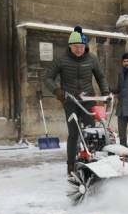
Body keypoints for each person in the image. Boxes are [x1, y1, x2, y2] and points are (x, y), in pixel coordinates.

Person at [45, 26, 109, 175]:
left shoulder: (92, 58)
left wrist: (105, 91)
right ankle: (71, 165)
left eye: (81, 47)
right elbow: (48, 78)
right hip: (70, 101)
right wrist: (58, 92)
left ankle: (93, 161)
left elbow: (100, 76)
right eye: (75, 47)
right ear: (70, 46)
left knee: (90, 132)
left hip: (88, 100)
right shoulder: (61, 60)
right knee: (74, 133)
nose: (79, 50)